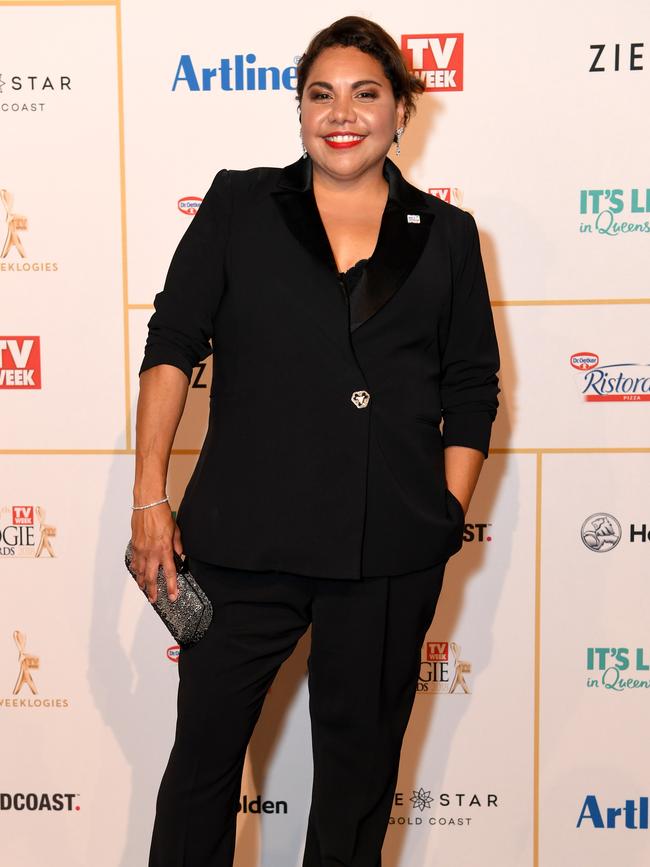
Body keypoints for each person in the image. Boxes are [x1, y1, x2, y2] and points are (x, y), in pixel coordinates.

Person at [131, 15, 500, 867]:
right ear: (299, 111)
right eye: (321, 94)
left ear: (401, 110)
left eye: (366, 93)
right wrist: (150, 495)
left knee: (355, 785)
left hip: (387, 552)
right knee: (200, 773)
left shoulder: (446, 236)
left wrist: (444, 512)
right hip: (241, 542)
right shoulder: (239, 204)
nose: (343, 113)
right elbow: (173, 343)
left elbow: (472, 386)